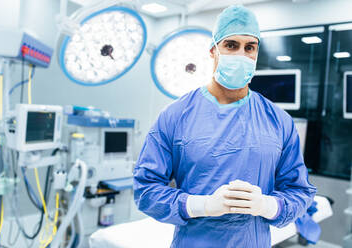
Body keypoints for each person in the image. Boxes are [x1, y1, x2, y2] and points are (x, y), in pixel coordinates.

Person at [133, 5, 316, 248]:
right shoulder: (175, 116)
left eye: (250, 47)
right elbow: (145, 190)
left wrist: (268, 205)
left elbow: (299, 191)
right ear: (213, 50)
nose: (241, 54)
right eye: (231, 45)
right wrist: (202, 205)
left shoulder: (279, 121)